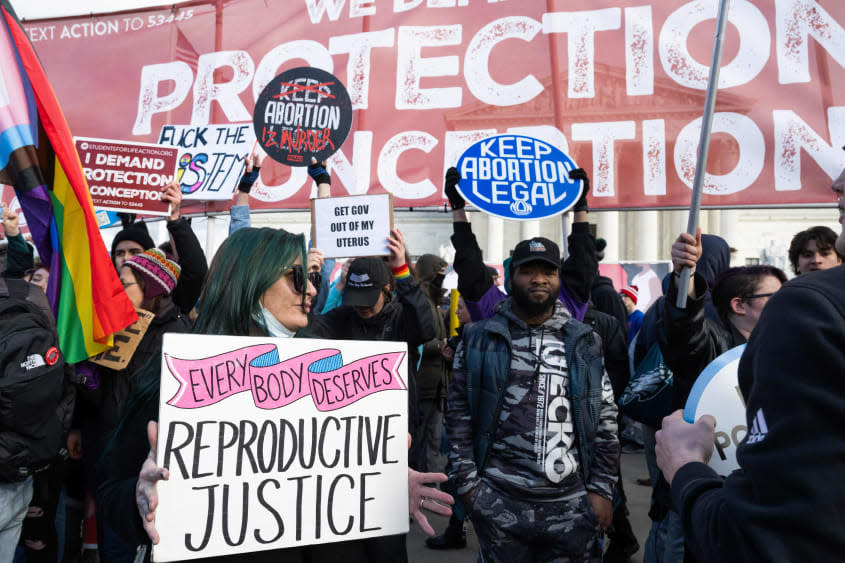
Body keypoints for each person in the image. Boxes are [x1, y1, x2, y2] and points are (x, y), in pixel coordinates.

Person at [98, 227, 451, 563]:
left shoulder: (331, 367)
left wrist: (383, 479)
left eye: (311, 280)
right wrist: (139, 499)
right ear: (249, 281)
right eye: (298, 277)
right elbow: (112, 493)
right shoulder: (177, 380)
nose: (311, 291)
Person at [655, 179, 845, 561]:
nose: (837, 183)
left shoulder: (812, 316)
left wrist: (686, 468)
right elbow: (685, 336)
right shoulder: (718, 342)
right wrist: (684, 280)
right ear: (739, 305)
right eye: (771, 297)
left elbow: (780, 531)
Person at [446, 236, 619, 562]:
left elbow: (606, 418)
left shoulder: (583, 341)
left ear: (558, 279)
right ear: (511, 278)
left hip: (571, 508)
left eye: (548, 272)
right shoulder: (479, 338)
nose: (538, 279)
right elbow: (457, 416)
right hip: (498, 504)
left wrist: (601, 490)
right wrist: (470, 490)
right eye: (528, 271)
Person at [111, 182, 207, 315]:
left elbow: (195, 271)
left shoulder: (170, 304)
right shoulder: (103, 302)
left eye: (135, 252)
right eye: (120, 253)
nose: (126, 258)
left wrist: (174, 219)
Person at [415, 253, 450, 474]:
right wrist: (441, 346)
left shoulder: (433, 302)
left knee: (433, 442)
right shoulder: (420, 303)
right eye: (439, 275)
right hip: (423, 387)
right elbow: (417, 341)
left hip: (437, 387)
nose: (442, 280)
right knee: (419, 443)